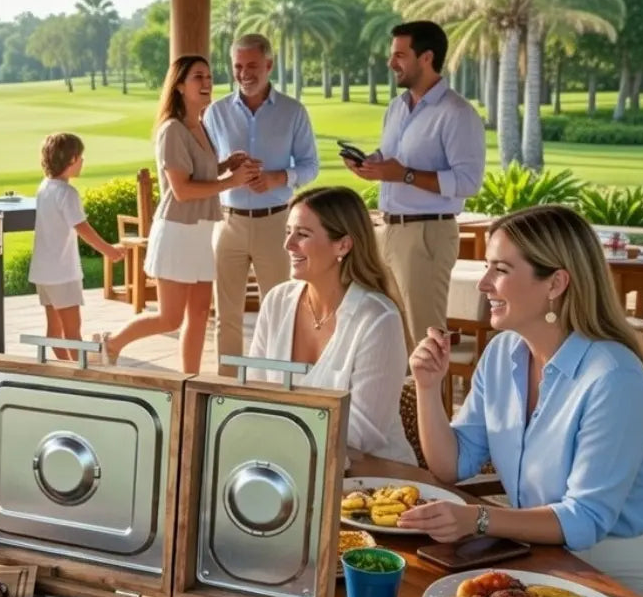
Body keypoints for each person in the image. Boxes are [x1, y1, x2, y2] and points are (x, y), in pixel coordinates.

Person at [403, 204, 643, 597]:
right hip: (535, 552)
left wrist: (479, 519)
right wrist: (428, 387)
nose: (484, 283)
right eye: (487, 266)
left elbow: (584, 520)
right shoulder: (502, 354)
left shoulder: (613, 377)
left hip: (613, 568)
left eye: (500, 270)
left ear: (555, 284)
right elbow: (451, 465)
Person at [95, 56, 255, 373]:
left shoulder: (200, 126)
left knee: (198, 315)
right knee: (170, 317)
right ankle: (111, 343)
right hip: (178, 232)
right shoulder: (172, 130)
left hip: (202, 231)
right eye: (198, 76)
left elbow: (199, 172)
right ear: (180, 85)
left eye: (209, 76)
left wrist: (225, 166)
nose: (207, 82)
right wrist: (230, 182)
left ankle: (189, 379)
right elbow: (181, 189)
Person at [245, 187, 414, 463]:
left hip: (374, 480)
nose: (288, 245)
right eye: (288, 232)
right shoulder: (277, 301)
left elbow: (363, 432)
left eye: (302, 234)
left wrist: (273, 432)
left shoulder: (378, 319)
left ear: (343, 245)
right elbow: (252, 392)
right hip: (289, 465)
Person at [343, 20, 485, 345]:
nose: (391, 63)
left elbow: (468, 181)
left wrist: (403, 174)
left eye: (399, 55)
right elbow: (392, 156)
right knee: (390, 336)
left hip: (427, 235)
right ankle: (399, 399)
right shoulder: (397, 107)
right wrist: (371, 163)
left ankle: (433, 399)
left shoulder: (457, 114)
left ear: (426, 58)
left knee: (424, 338)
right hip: (388, 231)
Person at [206, 34, 320, 376]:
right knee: (226, 316)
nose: (244, 73)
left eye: (252, 66)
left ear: (269, 65)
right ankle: (226, 388)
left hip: (277, 225)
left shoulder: (292, 111)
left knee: (283, 310)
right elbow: (204, 169)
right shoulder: (216, 112)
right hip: (228, 223)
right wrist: (227, 170)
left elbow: (310, 166)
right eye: (238, 66)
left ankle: (277, 386)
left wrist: (278, 178)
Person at [28, 132, 126, 361]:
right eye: (81, 157)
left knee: (54, 330)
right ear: (71, 159)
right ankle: (79, 375)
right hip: (63, 274)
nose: (83, 161)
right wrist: (109, 251)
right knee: (73, 331)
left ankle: (65, 369)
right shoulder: (67, 193)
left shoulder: (44, 187)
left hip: (43, 273)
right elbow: (82, 228)